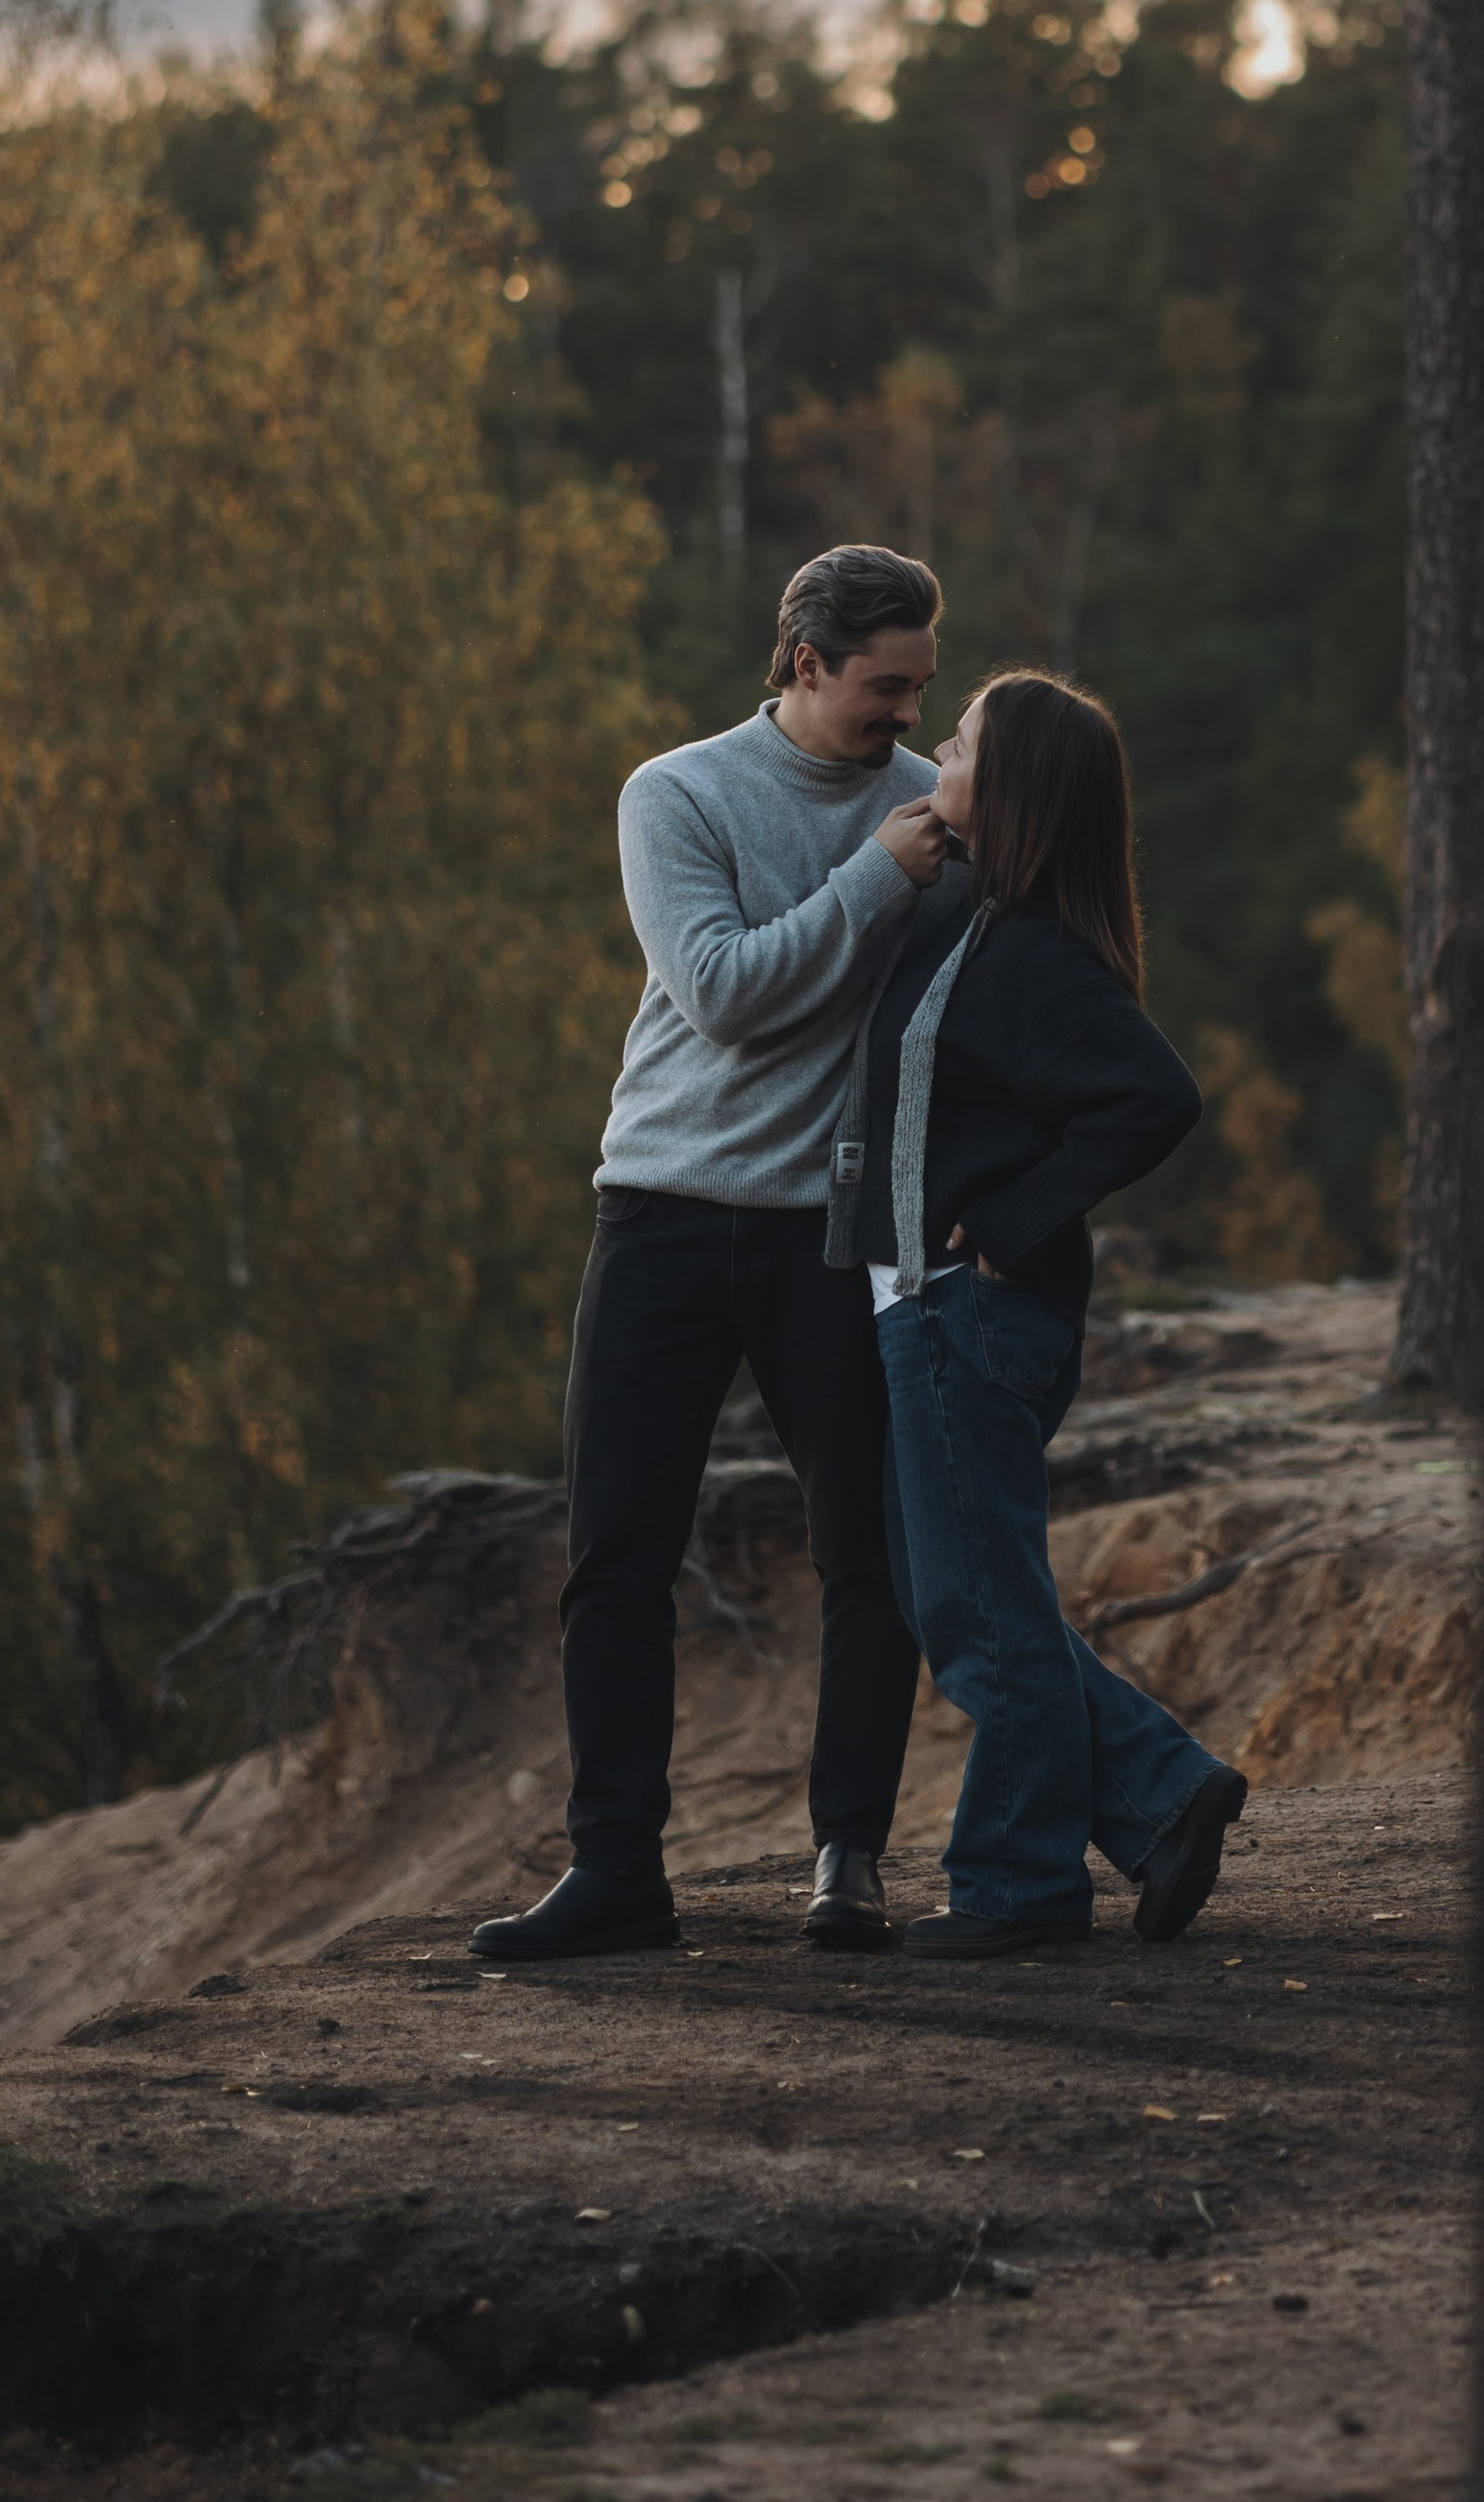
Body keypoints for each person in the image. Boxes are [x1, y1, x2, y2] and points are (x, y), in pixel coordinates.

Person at [472, 544, 960, 1966]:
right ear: (806, 663)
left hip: (833, 1229)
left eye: (923, 687)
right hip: (665, 1209)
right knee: (617, 1555)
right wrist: (877, 878)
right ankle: (617, 1873)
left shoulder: (930, 803)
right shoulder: (674, 793)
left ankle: (848, 1864)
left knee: (866, 1554)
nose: (907, 717)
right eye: (885, 687)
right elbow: (728, 995)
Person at [831, 669, 1247, 1960]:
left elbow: (1154, 1098)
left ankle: (1017, 1883)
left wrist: (1017, 1217)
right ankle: (1162, 1793)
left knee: (977, 1608)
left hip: (971, 1318)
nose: (933, 756)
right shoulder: (972, 920)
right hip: (924, 1311)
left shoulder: (1035, 955)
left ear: (1003, 788)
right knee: (957, 1592)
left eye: (953, 745)